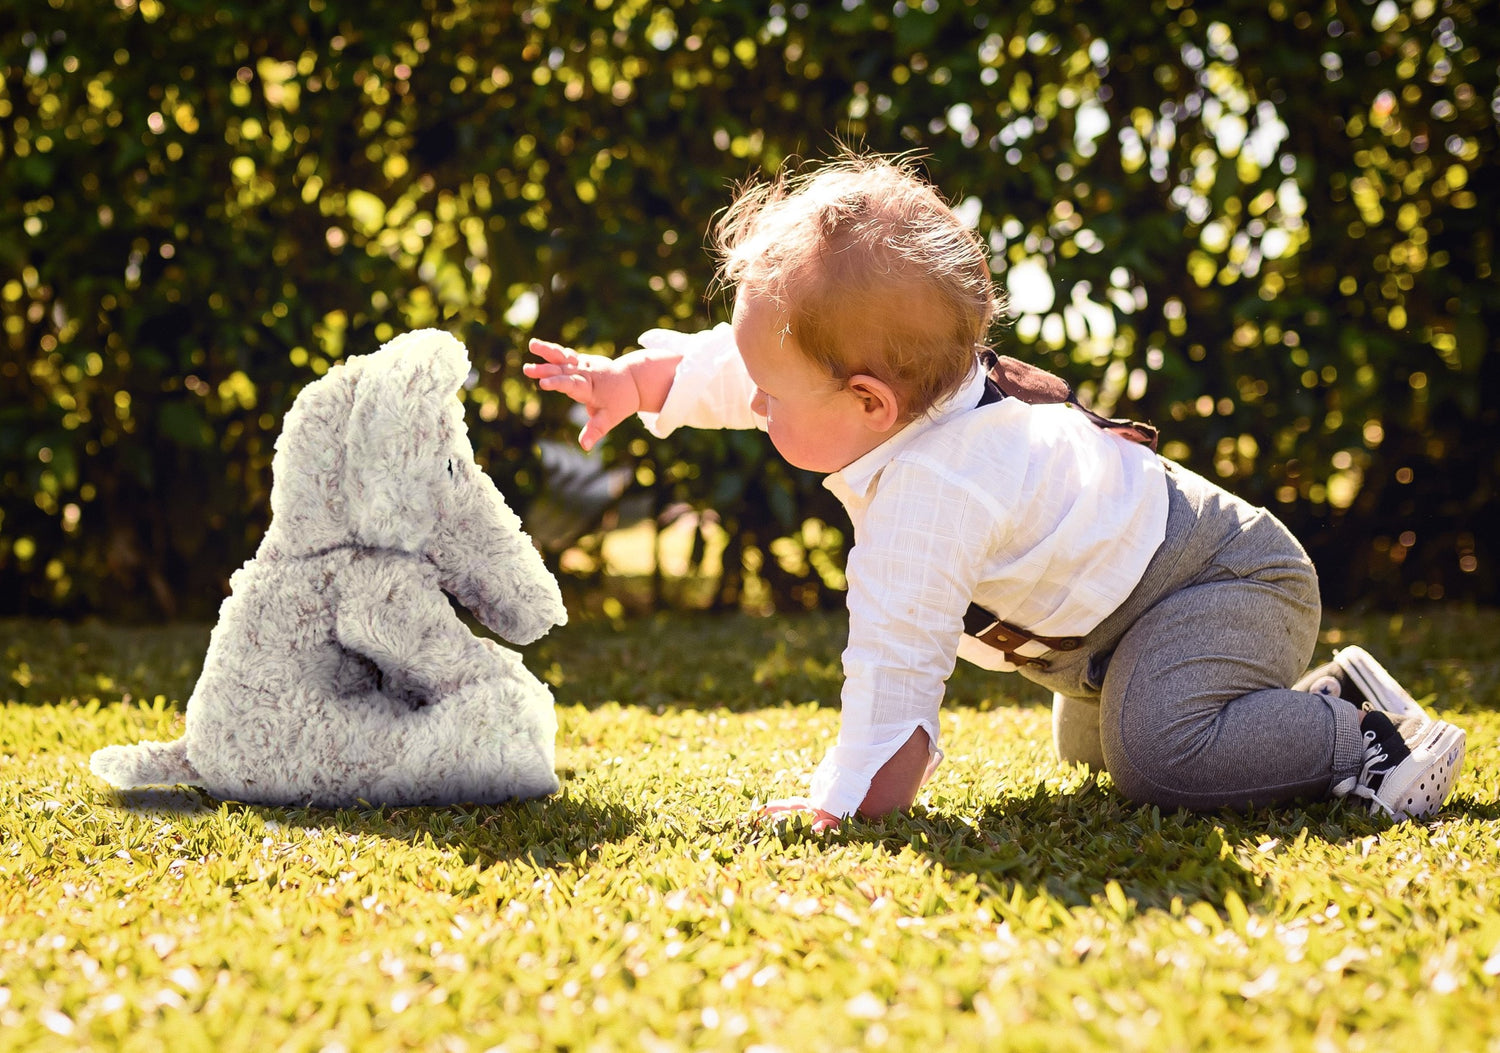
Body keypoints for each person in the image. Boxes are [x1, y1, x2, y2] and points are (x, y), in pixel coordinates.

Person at [522, 151, 1467, 831]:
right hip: (1119, 624)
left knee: (1158, 757)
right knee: (1089, 753)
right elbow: (739, 367)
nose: (753, 397)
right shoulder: (892, 401)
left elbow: (894, 667)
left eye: (771, 391)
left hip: (1222, 579)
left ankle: (1361, 736)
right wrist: (633, 381)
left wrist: (843, 803)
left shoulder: (935, 486)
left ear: (867, 401)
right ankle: (1324, 691)